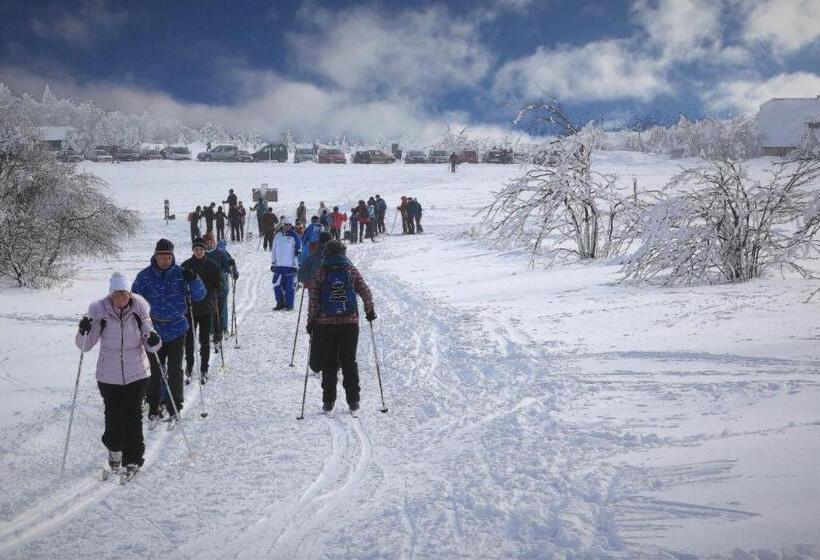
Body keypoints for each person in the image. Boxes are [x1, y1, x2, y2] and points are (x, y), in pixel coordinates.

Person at [76, 272, 162, 476]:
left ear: (129, 294)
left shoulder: (139, 311)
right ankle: (115, 450)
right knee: (113, 417)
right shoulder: (101, 313)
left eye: (124, 294)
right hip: (109, 376)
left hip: (137, 374)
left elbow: (151, 341)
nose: (120, 298)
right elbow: (86, 346)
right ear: (111, 295)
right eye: (116, 294)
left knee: (132, 416)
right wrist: (83, 331)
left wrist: (153, 339)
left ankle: (133, 459)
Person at [132, 239, 206, 427]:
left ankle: (175, 405)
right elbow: (134, 300)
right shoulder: (145, 276)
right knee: (154, 370)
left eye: (168, 257)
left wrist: (194, 279)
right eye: (161, 257)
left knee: (175, 369)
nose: (164, 260)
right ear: (155, 256)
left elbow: (199, 295)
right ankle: (154, 405)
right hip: (153, 330)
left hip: (176, 328)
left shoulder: (181, 274)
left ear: (172, 257)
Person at [307, 240, 376, 413]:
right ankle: (353, 400)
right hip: (350, 323)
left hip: (325, 325)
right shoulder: (350, 270)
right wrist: (369, 311)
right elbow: (365, 291)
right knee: (348, 361)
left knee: (329, 362)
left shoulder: (321, 272)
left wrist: (311, 321)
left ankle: (328, 401)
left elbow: (313, 299)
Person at [181, 238, 221, 383]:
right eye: (196, 250)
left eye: (200, 250)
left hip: (206, 308)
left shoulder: (212, 266)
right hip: (190, 308)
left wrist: (217, 289)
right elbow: (179, 285)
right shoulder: (186, 266)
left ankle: (204, 367)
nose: (198, 252)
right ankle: (190, 366)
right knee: (189, 340)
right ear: (193, 250)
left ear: (204, 250)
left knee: (204, 340)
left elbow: (219, 284)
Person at [203, 233, 236, 338]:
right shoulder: (202, 254)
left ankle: (223, 328)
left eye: (211, 242)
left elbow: (228, 265)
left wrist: (233, 271)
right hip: (207, 286)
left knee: (222, 308)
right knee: (209, 309)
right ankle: (211, 330)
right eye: (207, 243)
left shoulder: (221, 253)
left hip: (221, 284)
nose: (209, 244)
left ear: (214, 242)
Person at [271, 217, 301, 310]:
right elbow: (273, 250)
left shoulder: (294, 236)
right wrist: (273, 263)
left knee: (289, 287)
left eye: (289, 225)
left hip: (289, 266)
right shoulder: (277, 236)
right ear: (282, 225)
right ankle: (280, 303)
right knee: (276, 285)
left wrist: (295, 265)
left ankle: (289, 305)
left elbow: (298, 250)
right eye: (285, 225)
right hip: (279, 265)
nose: (287, 227)